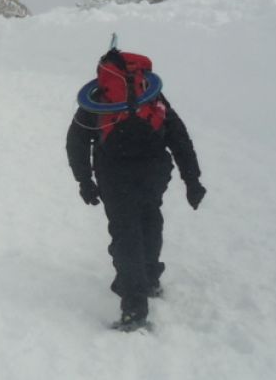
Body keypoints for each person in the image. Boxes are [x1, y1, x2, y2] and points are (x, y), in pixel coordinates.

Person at [65, 47, 205, 331]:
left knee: (125, 233)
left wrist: (84, 181)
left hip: (115, 175)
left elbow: (76, 142)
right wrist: (192, 180)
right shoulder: (152, 96)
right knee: (150, 219)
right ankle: (149, 279)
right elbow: (179, 138)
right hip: (154, 172)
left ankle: (134, 308)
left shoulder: (96, 100)